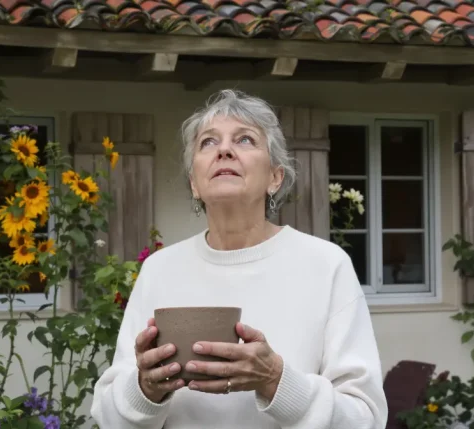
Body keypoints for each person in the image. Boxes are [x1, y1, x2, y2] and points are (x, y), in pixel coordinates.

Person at [90, 90, 388, 429]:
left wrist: (275, 380)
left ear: (275, 178)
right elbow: (109, 418)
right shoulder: (160, 269)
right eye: (208, 142)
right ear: (194, 184)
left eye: (245, 139)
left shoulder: (326, 265)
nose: (224, 150)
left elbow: (365, 419)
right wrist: (145, 389)